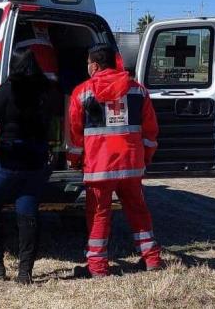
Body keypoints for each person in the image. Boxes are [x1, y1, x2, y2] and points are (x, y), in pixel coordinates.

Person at [67, 44, 163, 278]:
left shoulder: (82, 92)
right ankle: (152, 259)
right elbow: (151, 132)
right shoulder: (138, 91)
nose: (87, 67)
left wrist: (76, 161)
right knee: (138, 211)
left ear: (96, 65)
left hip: (99, 167)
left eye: (88, 63)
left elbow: (75, 134)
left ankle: (98, 268)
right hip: (130, 165)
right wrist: (145, 158)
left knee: (99, 215)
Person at [0, 47, 52, 284]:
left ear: (13, 66)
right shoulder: (46, 90)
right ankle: (25, 273)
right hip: (35, 163)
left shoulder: (8, 90)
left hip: (7, 161)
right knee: (27, 213)